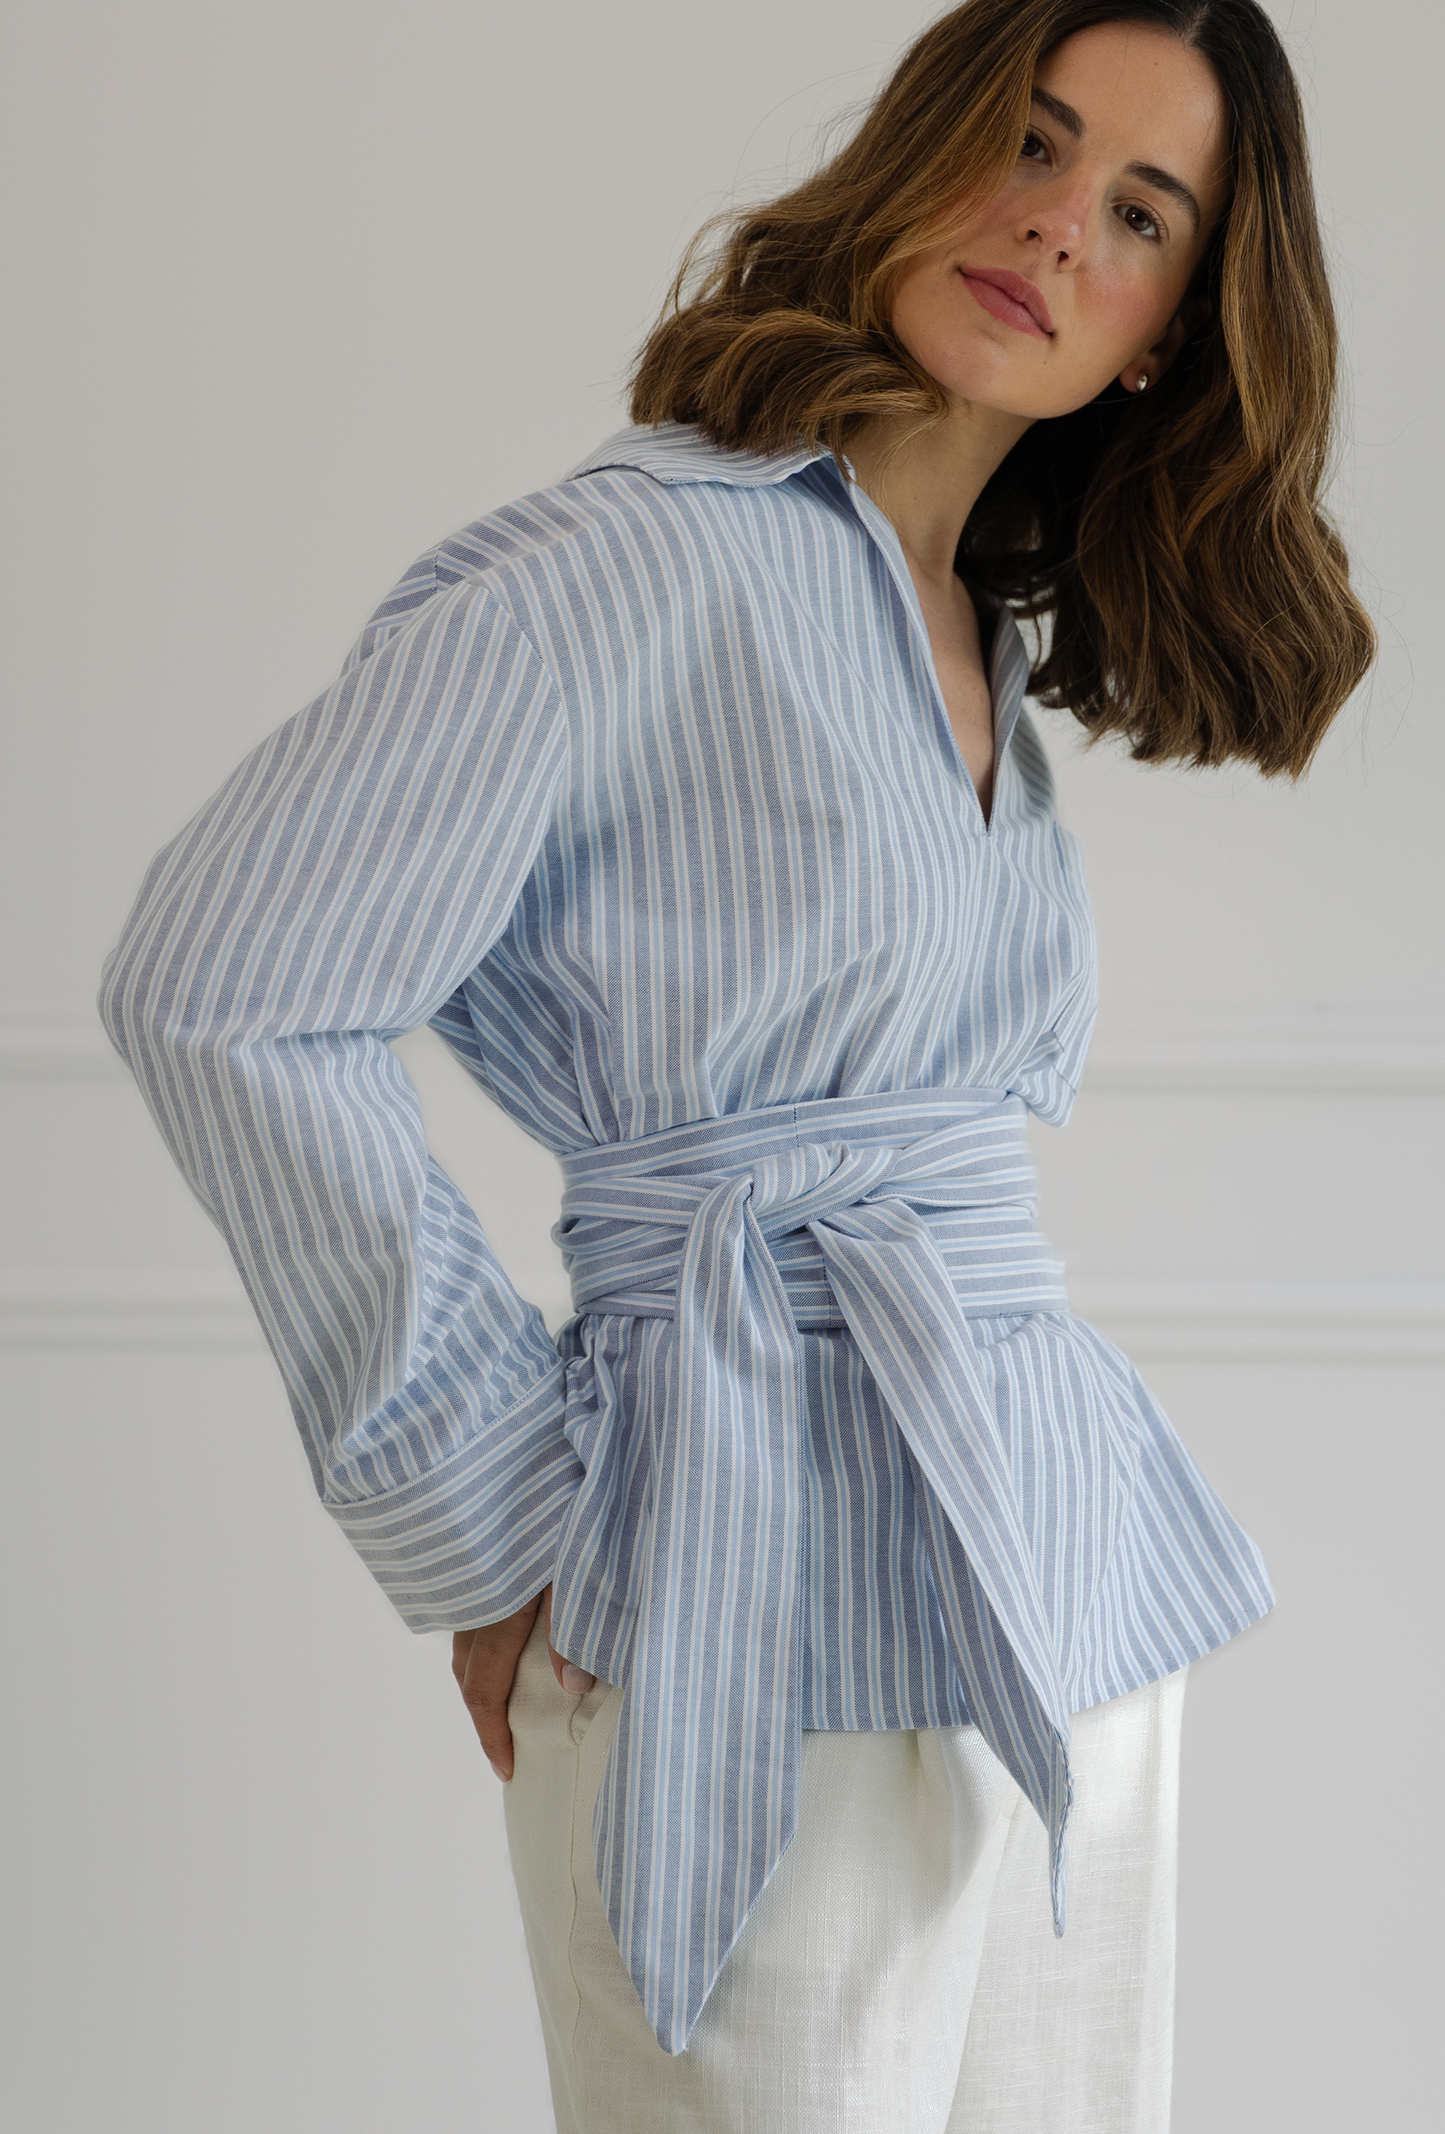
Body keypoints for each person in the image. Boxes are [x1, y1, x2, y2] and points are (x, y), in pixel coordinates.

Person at [98, 0, 1373, 2127]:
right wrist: (487, 1514)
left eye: (1140, 212)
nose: (1058, 226)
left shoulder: (973, 640)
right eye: (1030, 140)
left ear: (1166, 333)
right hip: (738, 1597)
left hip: (1062, 1600)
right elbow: (217, 980)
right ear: (924, 143)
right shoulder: (632, 564)